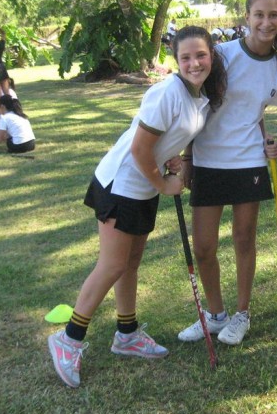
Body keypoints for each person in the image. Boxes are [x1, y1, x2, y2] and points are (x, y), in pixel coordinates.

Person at [47, 26, 227, 388]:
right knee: (112, 264)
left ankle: (127, 333)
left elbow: (161, 142)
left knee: (130, 264)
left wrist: (170, 157)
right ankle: (68, 339)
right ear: (175, 60)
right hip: (122, 184)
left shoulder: (199, 96)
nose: (194, 63)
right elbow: (139, 148)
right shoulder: (167, 93)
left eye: (200, 55)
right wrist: (164, 184)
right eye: (186, 57)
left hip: (142, 187)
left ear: (212, 55)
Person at [177, 0, 277, 346]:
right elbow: (193, 106)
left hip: (249, 162)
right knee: (204, 247)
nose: (266, 22)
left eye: (273, 15)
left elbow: (255, 110)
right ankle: (216, 315)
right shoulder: (220, 56)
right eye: (259, 14)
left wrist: (267, 138)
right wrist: (186, 157)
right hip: (208, 160)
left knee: (244, 239)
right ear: (247, 17)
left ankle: (242, 314)